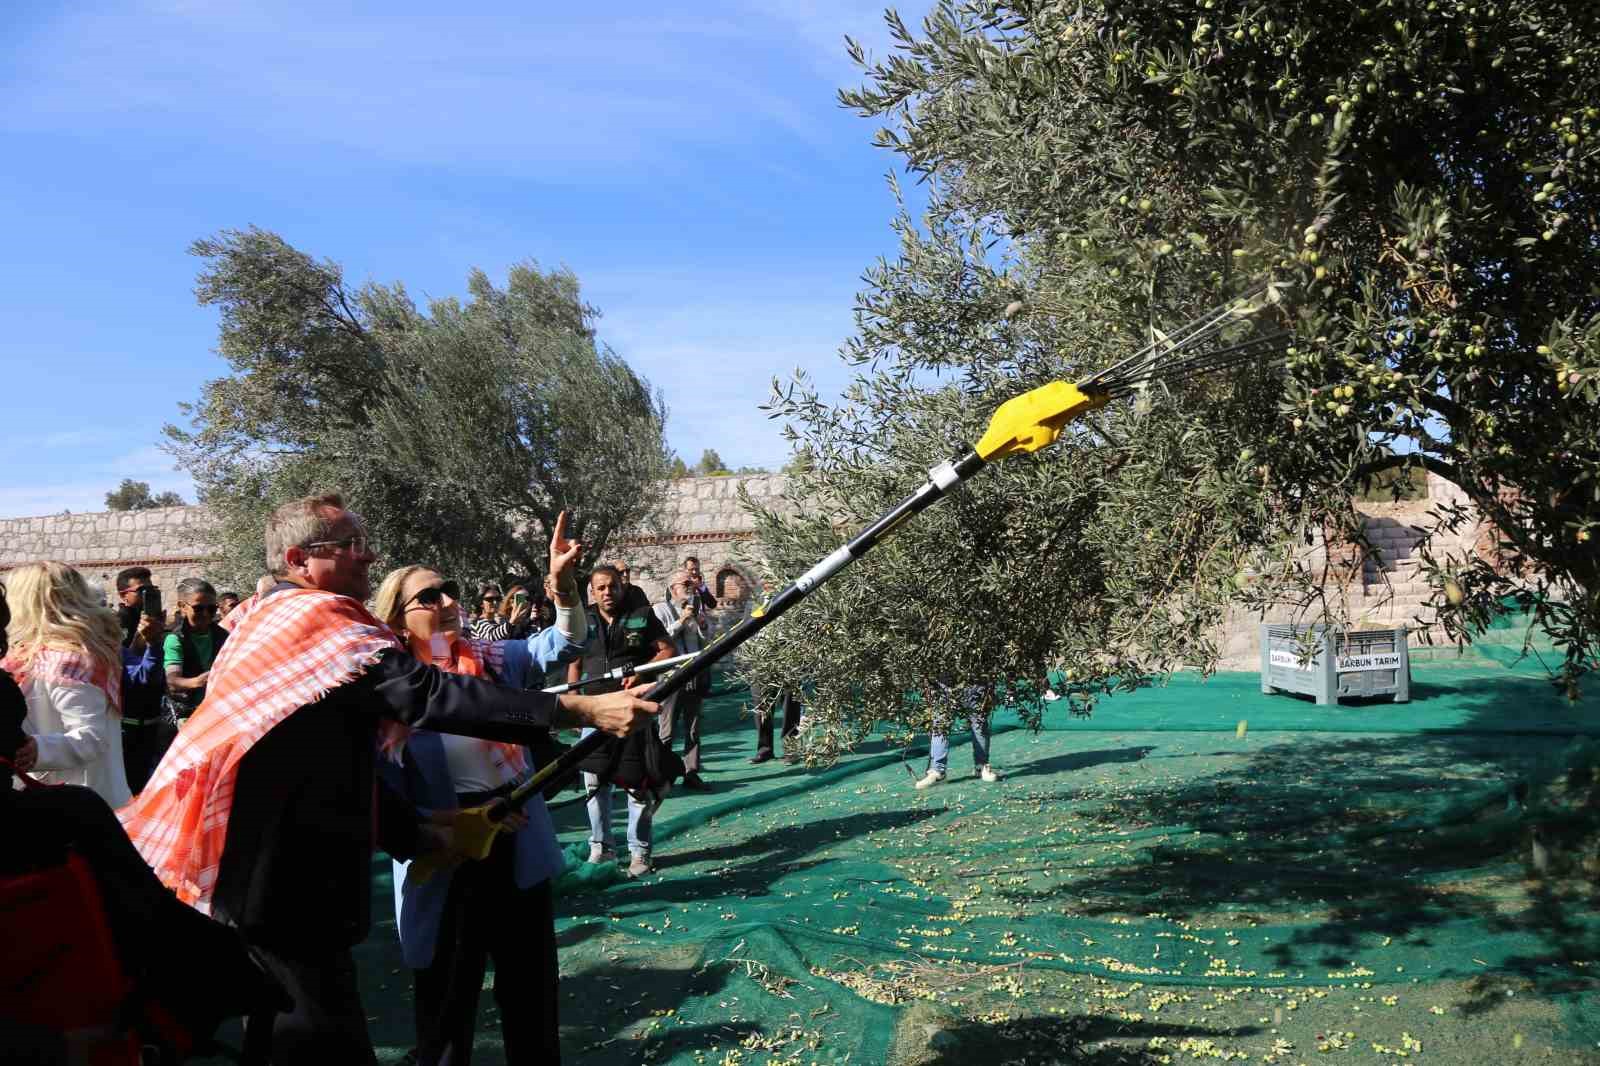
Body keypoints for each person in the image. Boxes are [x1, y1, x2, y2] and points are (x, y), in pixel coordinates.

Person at [118, 493, 658, 1064]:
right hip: (286, 883)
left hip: (309, 876)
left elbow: (327, 758)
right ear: (300, 559)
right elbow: (424, 696)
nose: (367, 556)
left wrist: (416, 831)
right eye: (350, 545)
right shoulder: (315, 621)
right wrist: (580, 710)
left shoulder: (279, 622)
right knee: (332, 1036)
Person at [374, 514, 588, 1066]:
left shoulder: (490, 660)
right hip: (444, 850)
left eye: (449, 589)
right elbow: (384, 790)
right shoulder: (388, 688)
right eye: (429, 596)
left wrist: (564, 588)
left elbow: (562, 644)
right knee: (447, 999)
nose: (447, 601)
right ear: (398, 617)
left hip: (516, 835)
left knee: (531, 988)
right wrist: (452, 821)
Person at [1, 561, 131, 806]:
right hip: (55, 798)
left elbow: (91, 737)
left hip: (76, 804)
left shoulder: (67, 661)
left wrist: (38, 750)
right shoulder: (34, 655)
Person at [574, 564, 675, 877]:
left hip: (633, 709)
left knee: (637, 783)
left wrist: (642, 673)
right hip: (593, 711)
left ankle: (639, 852)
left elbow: (667, 651)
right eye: (601, 588)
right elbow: (573, 664)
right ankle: (601, 848)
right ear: (593, 592)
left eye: (613, 586)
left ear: (622, 586)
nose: (607, 592)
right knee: (594, 782)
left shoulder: (642, 616)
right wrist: (575, 705)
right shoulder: (582, 620)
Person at [112, 566, 169, 793]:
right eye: (142, 591)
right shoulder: (118, 623)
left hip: (153, 716)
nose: (148, 595)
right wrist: (147, 639)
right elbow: (135, 671)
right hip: (129, 721)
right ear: (123, 595)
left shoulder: (151, 619)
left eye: (152, 589)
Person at [654, 569, 709, 789]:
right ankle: (661, 774)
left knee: (693, 727)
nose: (689, 588)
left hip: (693, 672)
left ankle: (691, 772)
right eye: (684, 584)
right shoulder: (660, 610)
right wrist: (681, 620)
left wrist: (702, 624)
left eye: (690, 584)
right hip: (671, 675)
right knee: (667, 728)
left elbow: (704, 640)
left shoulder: (696, 608)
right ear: (672, 589)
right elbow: (661, 642)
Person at [163, 577, 228, 724]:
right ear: (182, 606)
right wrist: (197, 682)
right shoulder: (176, 639)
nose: (205, 614)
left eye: (211, 609)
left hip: (217, 711)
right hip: (187, 714)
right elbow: (172, 680)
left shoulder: (223, 636)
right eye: (198, 608)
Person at [915, 684, 1000, 788]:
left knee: (979, 722)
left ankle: (981, 766)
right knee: (940, 724)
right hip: (944, 683)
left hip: (973, 682)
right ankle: (938, 772)